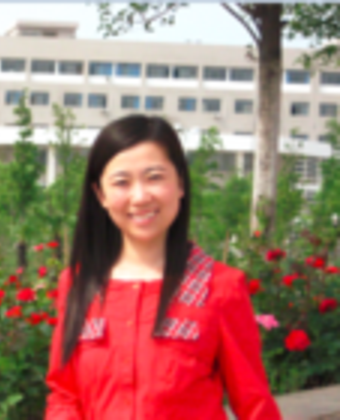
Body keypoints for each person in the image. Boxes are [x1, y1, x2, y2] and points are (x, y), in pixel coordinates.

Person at [45, 114, 282, 420]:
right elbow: (64, 395)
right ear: (100, 194)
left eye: (154, 177)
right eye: (122, 182)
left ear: (180, 183)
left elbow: (253, 403)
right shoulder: (80, 284)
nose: (140, 196)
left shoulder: (220, 287)